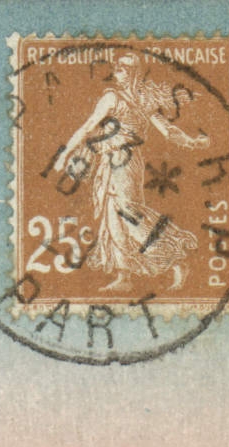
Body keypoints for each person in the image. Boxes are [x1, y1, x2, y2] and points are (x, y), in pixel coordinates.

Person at [52, 53, 207, 291]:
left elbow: (167, 130)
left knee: (128, 213)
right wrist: (65, 153)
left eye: (123, 68)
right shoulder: (118, 97)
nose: (117, 71)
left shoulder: (132, 99)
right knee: (112, 216)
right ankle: (124, 276)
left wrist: (192, 143)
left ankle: (174, 259)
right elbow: (89, 126)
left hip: (125, 162)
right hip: (112, 161)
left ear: (133, 72)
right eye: (117, 67)